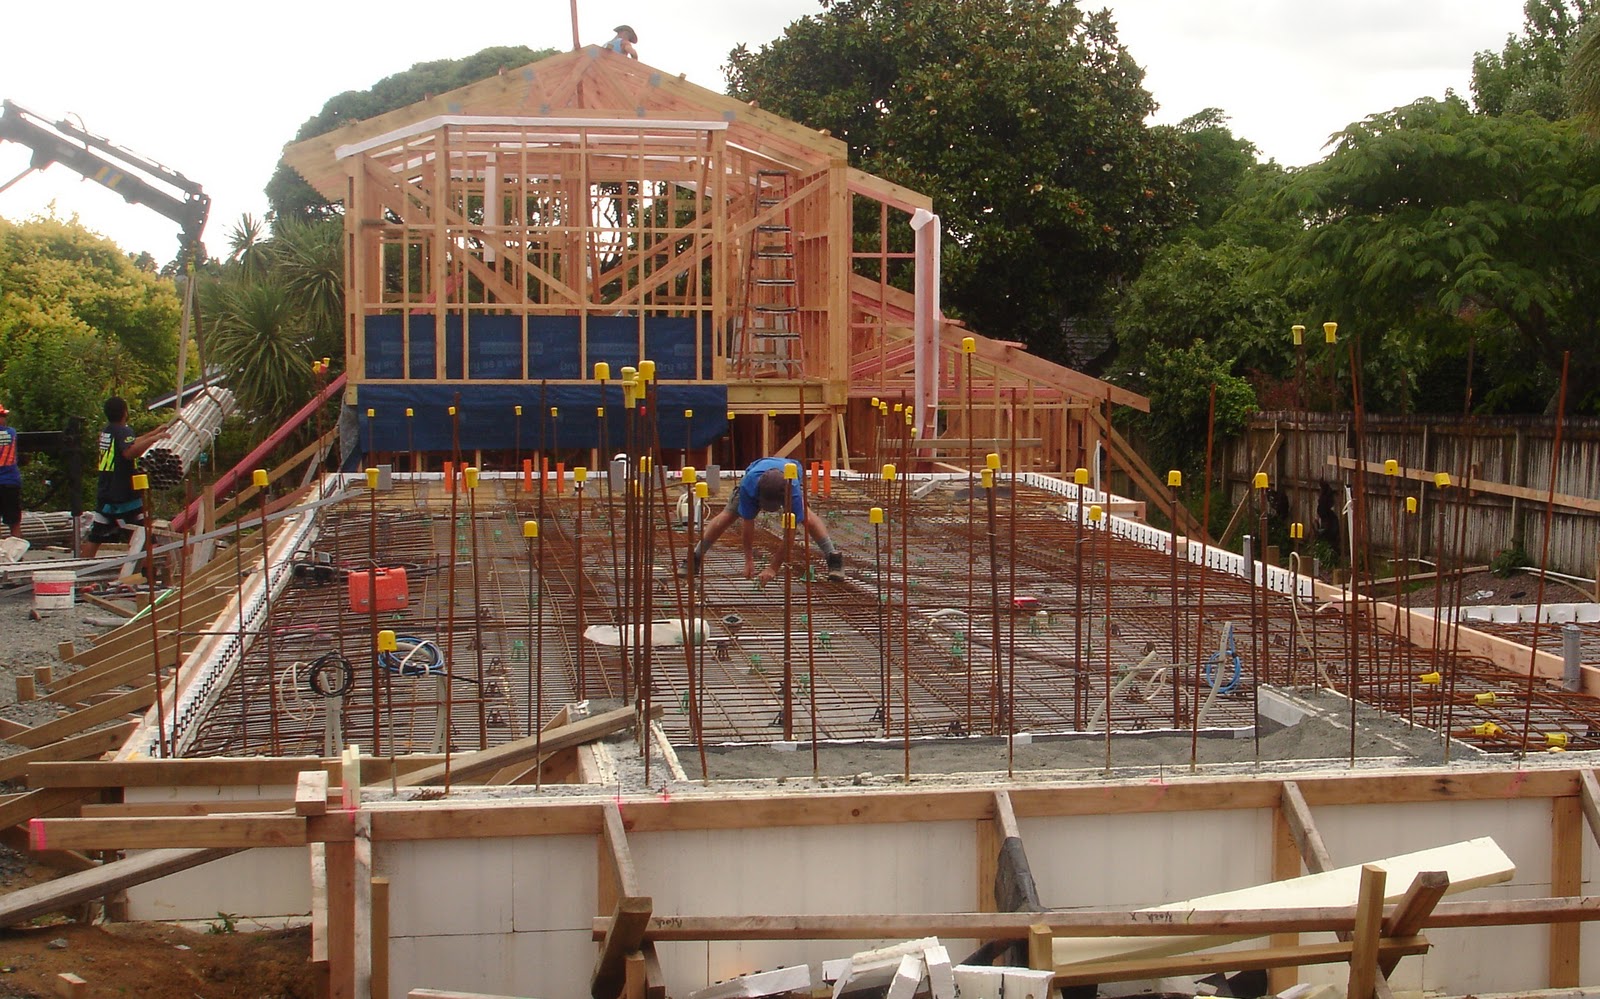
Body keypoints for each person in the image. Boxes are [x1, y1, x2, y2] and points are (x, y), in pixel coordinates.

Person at [688, 457, 842, 584]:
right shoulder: (749, 486)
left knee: (807, 518)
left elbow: (790, 534)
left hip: (790, 472)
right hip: (756, 472)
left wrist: (773, 568)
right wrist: (748, 560)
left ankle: (833, 557)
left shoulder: (792, 490)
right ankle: (695, 557)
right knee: (728, 515)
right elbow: (748, 524)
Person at [81, 397, 165, 558]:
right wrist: (153, 440)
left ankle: (80, 570)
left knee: (96, 535)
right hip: (123, 495)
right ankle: (148, 570)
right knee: (143, 533)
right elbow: (129, 452)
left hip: (106, 490)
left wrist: (154, 433)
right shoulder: (123, 431)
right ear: (125, 412)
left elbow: (130, 443)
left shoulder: (108, 431)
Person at [0, 404, 20, 540]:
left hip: (7, 482)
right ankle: (18, 554)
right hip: (11, 482)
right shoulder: (11, 432)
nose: (4, 419)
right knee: (14, 523)